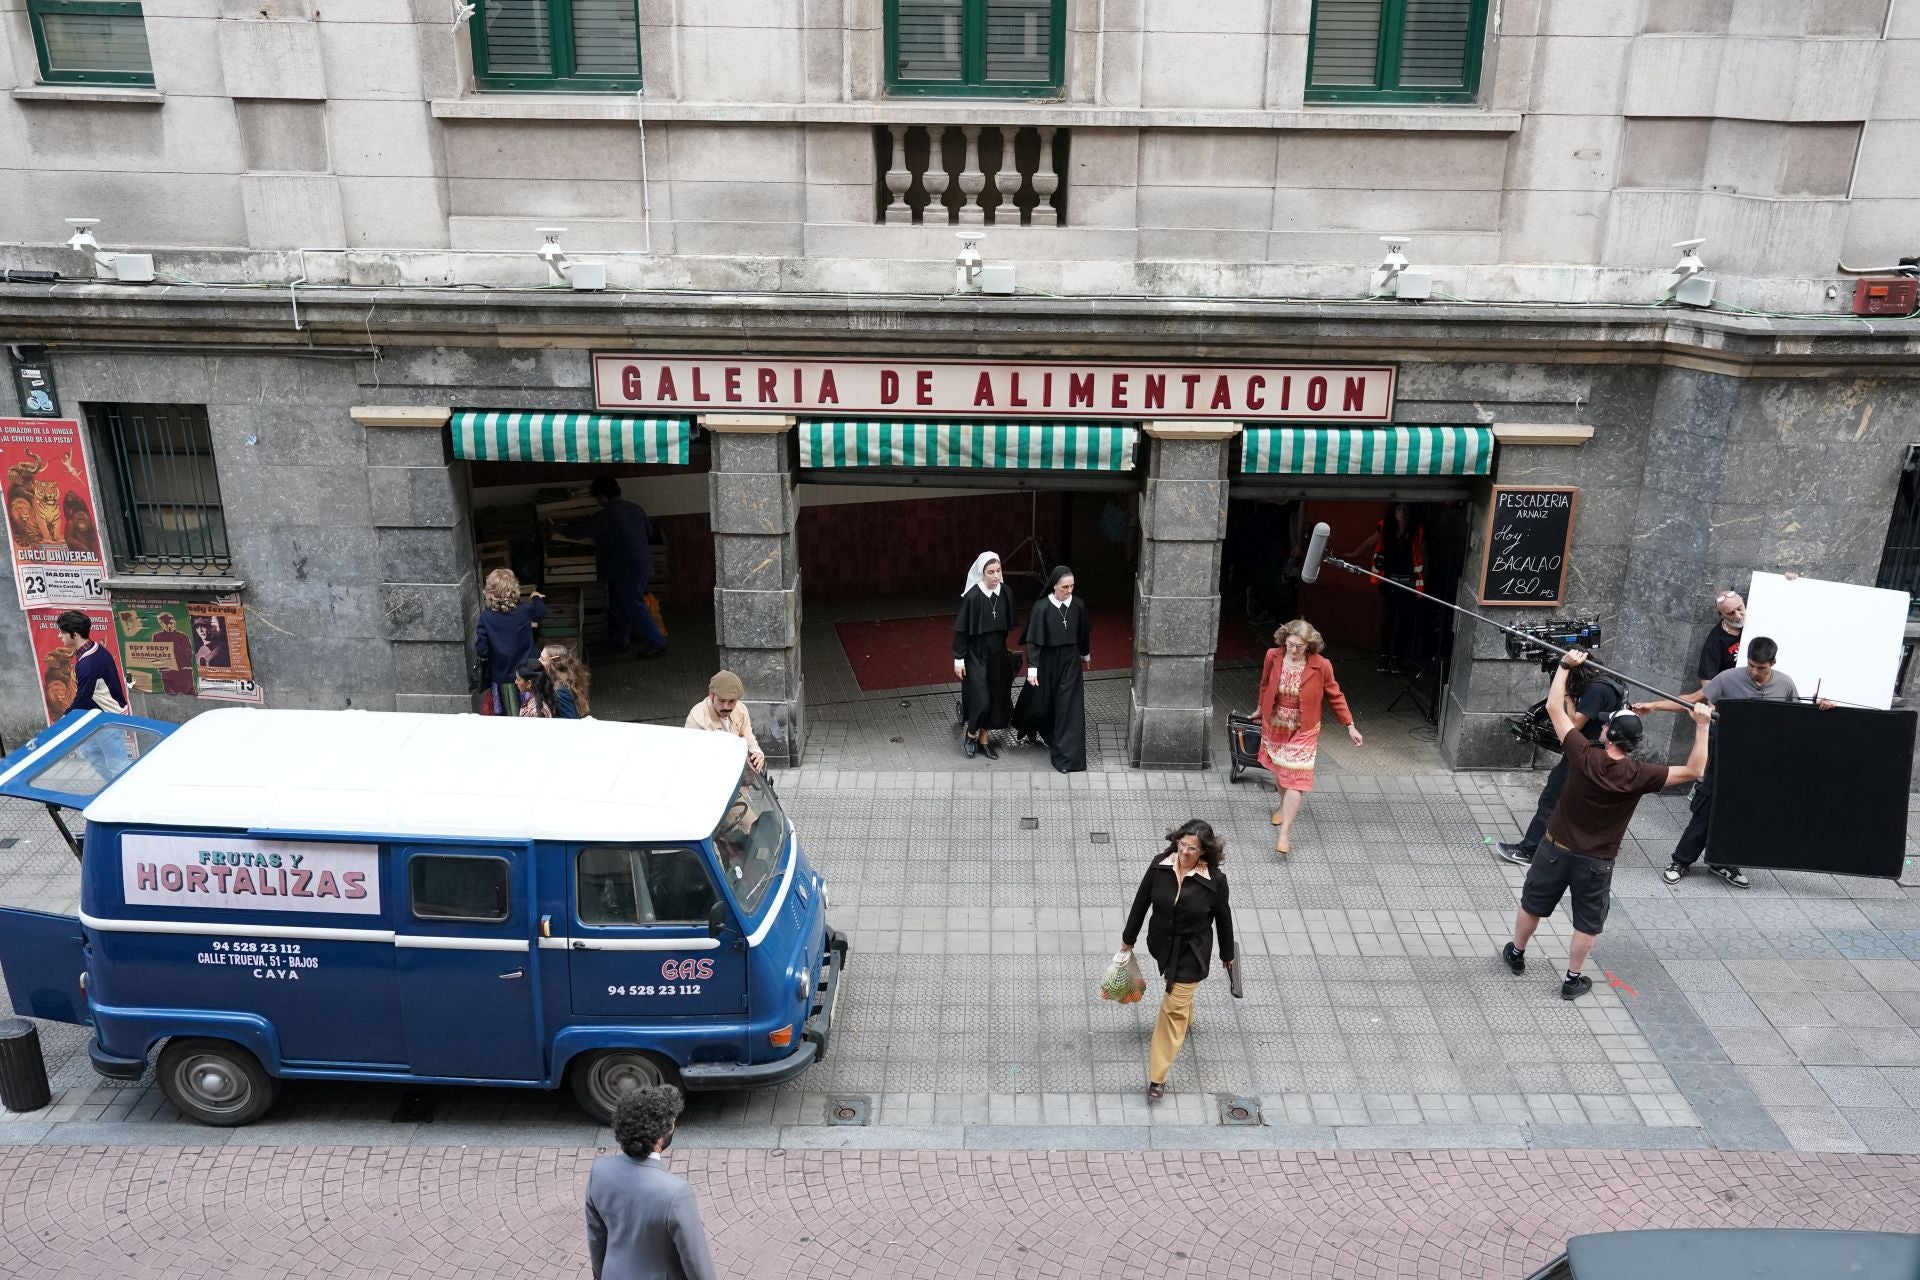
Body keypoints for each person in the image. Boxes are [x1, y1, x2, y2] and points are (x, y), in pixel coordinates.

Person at [1503, 652, 1711, 1000]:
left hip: (1555, 847)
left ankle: (1517, 954)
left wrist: (1565, 668)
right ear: (1633, 744)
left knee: (1532, 904)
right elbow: (1694, 771)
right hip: (1597, 860)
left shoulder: (1583, 755)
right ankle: (1572, 979)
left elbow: (1555, 709)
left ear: (1607, 733)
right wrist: (1702, 726)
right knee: (1587, 922)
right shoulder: (1640, 775)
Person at [1635, 635, 1834, 889]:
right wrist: (1654, 706)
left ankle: (1723, 861)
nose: (1754, 672)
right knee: (1707, 806)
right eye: (1750, 665)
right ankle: (1680, 861)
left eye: (1760, 667)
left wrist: (1822, 706)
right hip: (1725, 752)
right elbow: (1694, 698)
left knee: (1741, 810)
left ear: (1772, 662)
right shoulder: (1727, 679)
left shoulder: (1785, 684)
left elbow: (1796, 717)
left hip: (1759, 760)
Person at [1119, 820, 1238, 1101]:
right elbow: (1141, 901)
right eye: (1182, 845)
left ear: (1204, 852)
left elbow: (1223, 917)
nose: (1185, 852)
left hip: (1192, 952)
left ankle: (1156, 1077)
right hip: (1162, 945)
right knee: (1179, 995)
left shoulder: (1215, 881)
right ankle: (1186, 1010)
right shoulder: (1160, 864)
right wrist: (1128, 940)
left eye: (1192, 848)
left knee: (1172, 1009)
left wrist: (1227, 954)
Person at [1496, 661, 1626, 866]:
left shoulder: (1596, 689)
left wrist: (1565, 691)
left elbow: (1573, 724)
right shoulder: (1608, 680)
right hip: (1595, 753)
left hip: (1584, 753)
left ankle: (1529, 850)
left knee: (1551, 799)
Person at [584, 1084, 717, 1280]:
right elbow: (696, 1263)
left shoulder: (600, 1171)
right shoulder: (676, 1193)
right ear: (661, 1136)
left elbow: (596, 1237)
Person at [1256, 619, 1362, 855]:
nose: (1293, 650)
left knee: (1296, 778)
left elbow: (1335, 694)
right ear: (1284, 640)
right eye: (1291, 644)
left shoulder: (1321, 665)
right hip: (1275, 724)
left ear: (1309, 646)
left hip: (1304, 729)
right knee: (1281, 770)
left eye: (1299, 647)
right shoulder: (1272, 656)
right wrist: (1259, 708)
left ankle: (1284, 834)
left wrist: (1350, 725)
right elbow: (1265, 685)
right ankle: (1282, 806)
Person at [565, 474, 668, 660]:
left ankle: (657, 642)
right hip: (641, 564)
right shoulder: (636, 509)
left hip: (626, 568)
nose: (597, 501)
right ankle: (621, 641)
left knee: (633, 603)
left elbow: (580, 532)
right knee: (623, 603)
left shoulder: (605, 516)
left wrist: (558, 530)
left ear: (602, 496)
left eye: (597, 498)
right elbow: (649, 532)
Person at [1015, 565, 1092, 774]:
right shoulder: (1042, 608)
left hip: (1070, 662)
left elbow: (1083, 633)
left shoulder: (1078, 606)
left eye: (1072, 586)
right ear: (1054, 586)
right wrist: (1032, 669)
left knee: (1068, 707)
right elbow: (1033, 641)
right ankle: (1032, 725)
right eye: (1064, 587)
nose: (1069, 591)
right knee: (1041, 702)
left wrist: (1085, 654)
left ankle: (1066, 759)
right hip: (1046, 661)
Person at [1344, 502, 1426, 672]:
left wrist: (1425, 578)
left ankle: (1397, 658)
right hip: (1389, 580)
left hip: (1407, 582)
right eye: (1399, 509)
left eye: (1405, 509)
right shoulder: (1385, 528)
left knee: (1403, 622)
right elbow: (1370, 541)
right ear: (1393, 512)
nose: (1402, 512)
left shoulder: (1416, 530)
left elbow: (1424, 555)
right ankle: (1385, 656)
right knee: (1388, 620)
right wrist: (1354, 554)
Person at [953, 550, 1015, 760]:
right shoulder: (972, 597)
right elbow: (962, 631)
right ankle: (971, 735)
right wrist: (959, 659)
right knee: (983, 698)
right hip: (976, 655)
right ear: (982, 573)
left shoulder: (1006, 592)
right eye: (991, 572)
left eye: (998, 571)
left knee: (997, 697)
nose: (996, 576)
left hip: (998, 654)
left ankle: (984, 739)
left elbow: (1006, 627)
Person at [56, 610, 130, 780]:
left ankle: (125, 796)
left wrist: (63, 721)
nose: (60, 636)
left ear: (74, 634)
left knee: (118, 764)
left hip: (108, 717)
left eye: (63, 632)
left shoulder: (88, 663)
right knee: (92, 753)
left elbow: (83, 698)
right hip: (94, 716)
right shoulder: (94, 650)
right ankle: (111, 790)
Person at [474, 568, 547, 716]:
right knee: (533, 715)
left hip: (502, 680)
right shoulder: (525, 611)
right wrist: (535, 597)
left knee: (507, 720)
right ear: (514, 589)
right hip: (528, 676)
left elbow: (482, 650)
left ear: (489, 592)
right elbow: (541, 612)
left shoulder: (486, 617)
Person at [686, 670, 766, 773]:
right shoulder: (697, 718)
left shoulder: (741, 710)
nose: (726, 707)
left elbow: (749, 740)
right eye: (721, 700)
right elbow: (693, 759)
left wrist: (757, 753)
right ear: (711, 695)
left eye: (732, 701)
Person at [1696, 589, 1745, 689]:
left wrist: (1786, 580)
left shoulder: (1757, 613)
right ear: (1720, 614)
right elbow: (1707, 681)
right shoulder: (1715, 641)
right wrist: (1713, 703)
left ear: (1743, 600)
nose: (1738, 616)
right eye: (1730, 613)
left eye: (1739, 609)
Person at [541, 643, 592, 719]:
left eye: (542, 659)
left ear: (553, 664)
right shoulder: (565, 681)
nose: (538, 661)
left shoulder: (561, 691)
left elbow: (569, 721)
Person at [152, 612, 195, 694]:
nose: (169, 626)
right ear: (161, 624)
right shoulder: (157, 637)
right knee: (170, 695)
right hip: (169, 674)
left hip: (184, 673)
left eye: (171, 623)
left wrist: (188, 667)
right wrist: (163, 669)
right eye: (165, 624)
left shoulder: (183, 636)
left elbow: (189, 653)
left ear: (174, 622)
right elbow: (157, 654)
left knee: (189, 694)